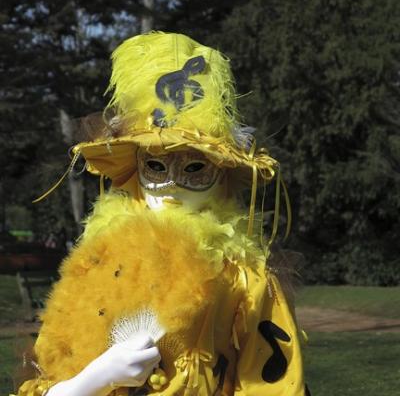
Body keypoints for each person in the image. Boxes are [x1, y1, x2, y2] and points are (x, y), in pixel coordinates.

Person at [13, 32, 307, 396]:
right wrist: (95, 378)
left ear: (223, 173)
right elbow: (53, 376)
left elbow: (272, 384)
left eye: (195, 167)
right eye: (154, 164)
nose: (170, 183)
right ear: (136, 168)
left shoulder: (244, 281)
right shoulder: (97, 261)